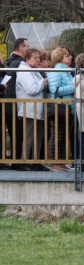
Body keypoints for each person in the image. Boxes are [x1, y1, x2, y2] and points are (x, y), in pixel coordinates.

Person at [16, 48, 48, 170]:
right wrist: (43, 82)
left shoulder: (33, 71)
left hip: (37, 109)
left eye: (39, 58)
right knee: (28, 136)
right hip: (28, 109)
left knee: (39, 136)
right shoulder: (24, 71)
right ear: (28, 59)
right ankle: (24, 162)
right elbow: (32, 89)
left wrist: (43, 83)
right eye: (35, 58)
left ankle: (35, 161)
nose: (38, 60)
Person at [47, 46, 75, 171]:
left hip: (68, 107)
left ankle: (62, 161)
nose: (70, 57)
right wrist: (74, 87)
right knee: (57, 135)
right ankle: (55, 162)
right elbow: (55, 89)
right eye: (67, 56)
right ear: (60, 57)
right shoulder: (56, 71)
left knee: (64, 135)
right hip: (59, 106)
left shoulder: (67, 71)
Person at [3, 37, 30, 167]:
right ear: (21, 48)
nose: (29, 49)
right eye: (27, 46)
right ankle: (17, 162)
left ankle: (15, 161)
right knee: (17, 133)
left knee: (15, 133)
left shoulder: (11, 63)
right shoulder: (18, 64)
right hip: (14, 104)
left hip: (10, 103)